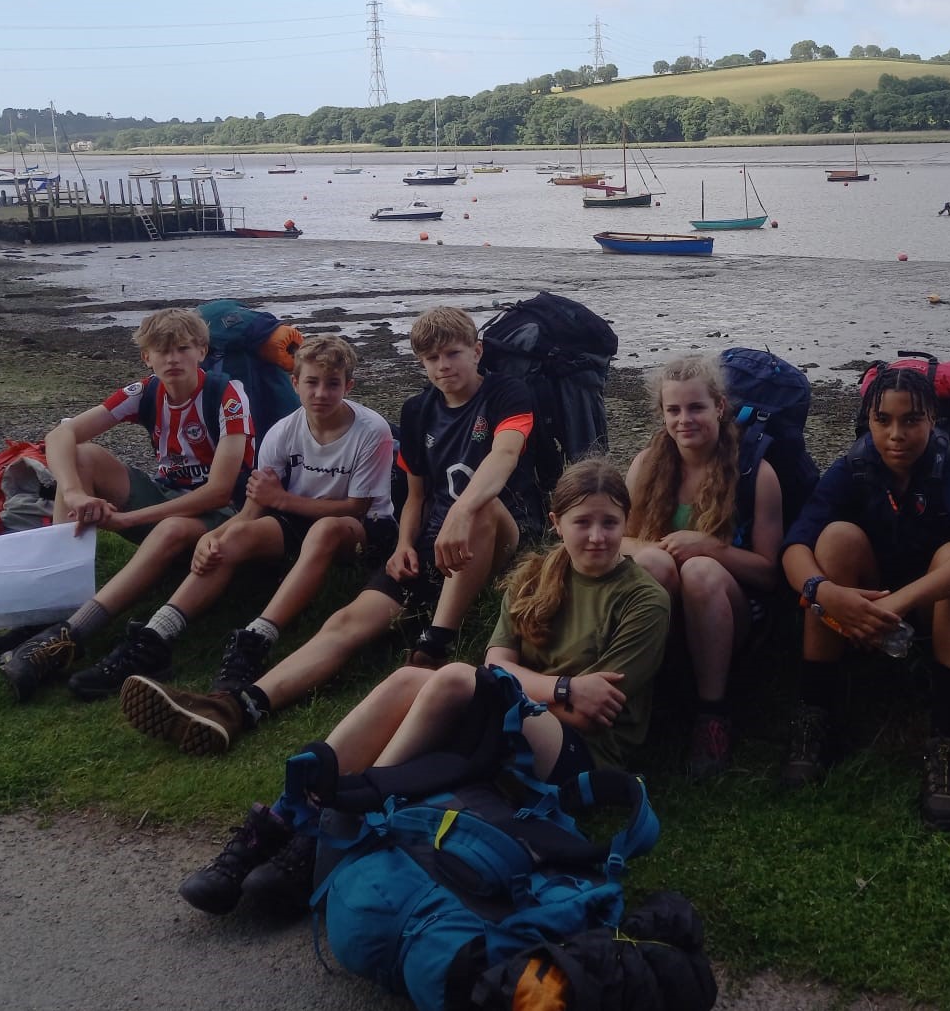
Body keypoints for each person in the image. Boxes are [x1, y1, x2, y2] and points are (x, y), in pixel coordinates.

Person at [175, 457, 671, 915]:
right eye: (582, 522)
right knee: (413, 677)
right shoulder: (538, 575)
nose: (597, 537)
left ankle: (340, 819)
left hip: (581, 751)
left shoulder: (643, 600)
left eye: (610, 523)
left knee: (454, 677)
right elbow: (498, 660)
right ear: (556, 521)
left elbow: (590, 713)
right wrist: (562, 687)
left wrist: (529, 691)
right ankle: (283, 818)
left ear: (627, 524)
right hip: (537, 712)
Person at [120, 304, 539, 754]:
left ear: (477, 352)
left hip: (497, 532)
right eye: (432, 358)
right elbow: (416, 495)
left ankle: (435, 642)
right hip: (431, 539)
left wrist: (461, 512)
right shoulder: (419, 410)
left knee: (479, 507)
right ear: (421, 362)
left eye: (454, 354)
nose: (444, 366)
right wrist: (402, 544)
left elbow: (504, 455)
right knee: (345, 622)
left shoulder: (506, 393)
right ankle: (235, 707)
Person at [62, 335, 398, 700]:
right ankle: (155, 638)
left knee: (326, 530)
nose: (321, 393)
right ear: (295, 383)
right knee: (229, 543)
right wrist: (217, 535)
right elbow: (254, 508)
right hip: (296, 515)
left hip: (361, 528)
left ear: (348, 386)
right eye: (312, 382)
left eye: (333, 384)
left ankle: (256, 639)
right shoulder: (283, 432)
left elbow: (355, 508)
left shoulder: (371, 430)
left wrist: (281, 499)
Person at [777, 365, 950, 831]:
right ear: (867, 420)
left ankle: (947, 743)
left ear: (933, 421)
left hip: (931, 610)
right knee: (834, 539)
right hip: (861, 608)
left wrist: (900, 603)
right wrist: (823, 592)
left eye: (912, 420)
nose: (896, 434)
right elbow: (795, 544)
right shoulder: (854, 466)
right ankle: (814, 717)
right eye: (883, 420)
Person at [0, 307, 254, 702]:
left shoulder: (227, 394)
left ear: (202, 351)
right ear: (146, 357)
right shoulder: (145, 391)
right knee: (81, 456)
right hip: (170, 497)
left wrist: (129, 518)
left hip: (224, 517)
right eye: (161, 350)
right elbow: (61, 435)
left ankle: (71, 633)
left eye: (183, 348)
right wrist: (75, 491)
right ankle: (52, 606)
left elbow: (220, 492)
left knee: (170, 526)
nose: (172, 359)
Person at [621, 354, 782, 779]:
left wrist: (711, 548)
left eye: (696, 408)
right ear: (662, 414)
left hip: (733, 610)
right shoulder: (645, 467)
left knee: (700, 571)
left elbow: (769, 572)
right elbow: (619, 540)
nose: (684, 419)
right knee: (655, 562)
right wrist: (662, 551)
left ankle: (712, 716)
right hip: (662, 599)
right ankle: (638, 701)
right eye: (673, 410)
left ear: (720, 408)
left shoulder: (755, 473)